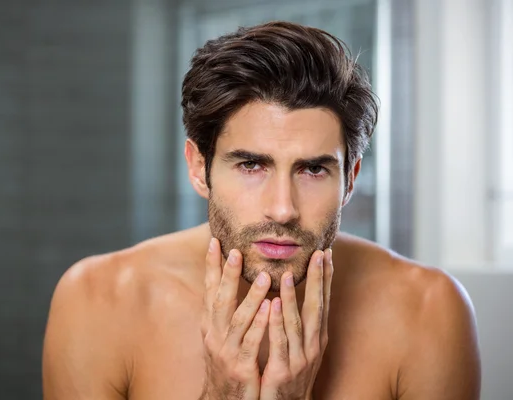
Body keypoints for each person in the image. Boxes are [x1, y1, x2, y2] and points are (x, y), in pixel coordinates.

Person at [42, 21, 481, 399]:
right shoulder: (100, 301)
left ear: (349, 179)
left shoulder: (428, 311)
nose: (283, 208)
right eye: (251, 165)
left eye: (312, 169)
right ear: (199, 168)